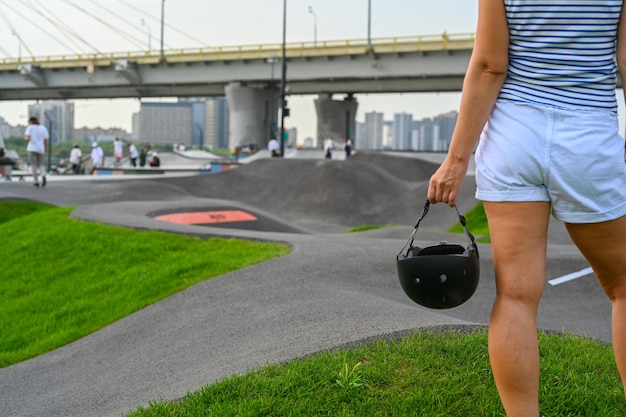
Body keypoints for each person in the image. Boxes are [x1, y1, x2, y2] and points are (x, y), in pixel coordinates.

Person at [427, 1, 626, 416]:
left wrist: (456, 161)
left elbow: (489, 67)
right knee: (624, 287)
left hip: (513, 136)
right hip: (588, 138)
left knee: (516, 295)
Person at [24, 116, 49, 187]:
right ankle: (43, 174)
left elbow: (28, 138)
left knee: (34, 165)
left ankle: (36, 181)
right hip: (41, 149)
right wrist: (44, 148)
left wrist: (26, 138)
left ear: (31, 122)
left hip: (32, 149)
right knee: (41, 164)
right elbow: (45, 140)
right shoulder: (43, 128)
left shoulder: (30, 128)